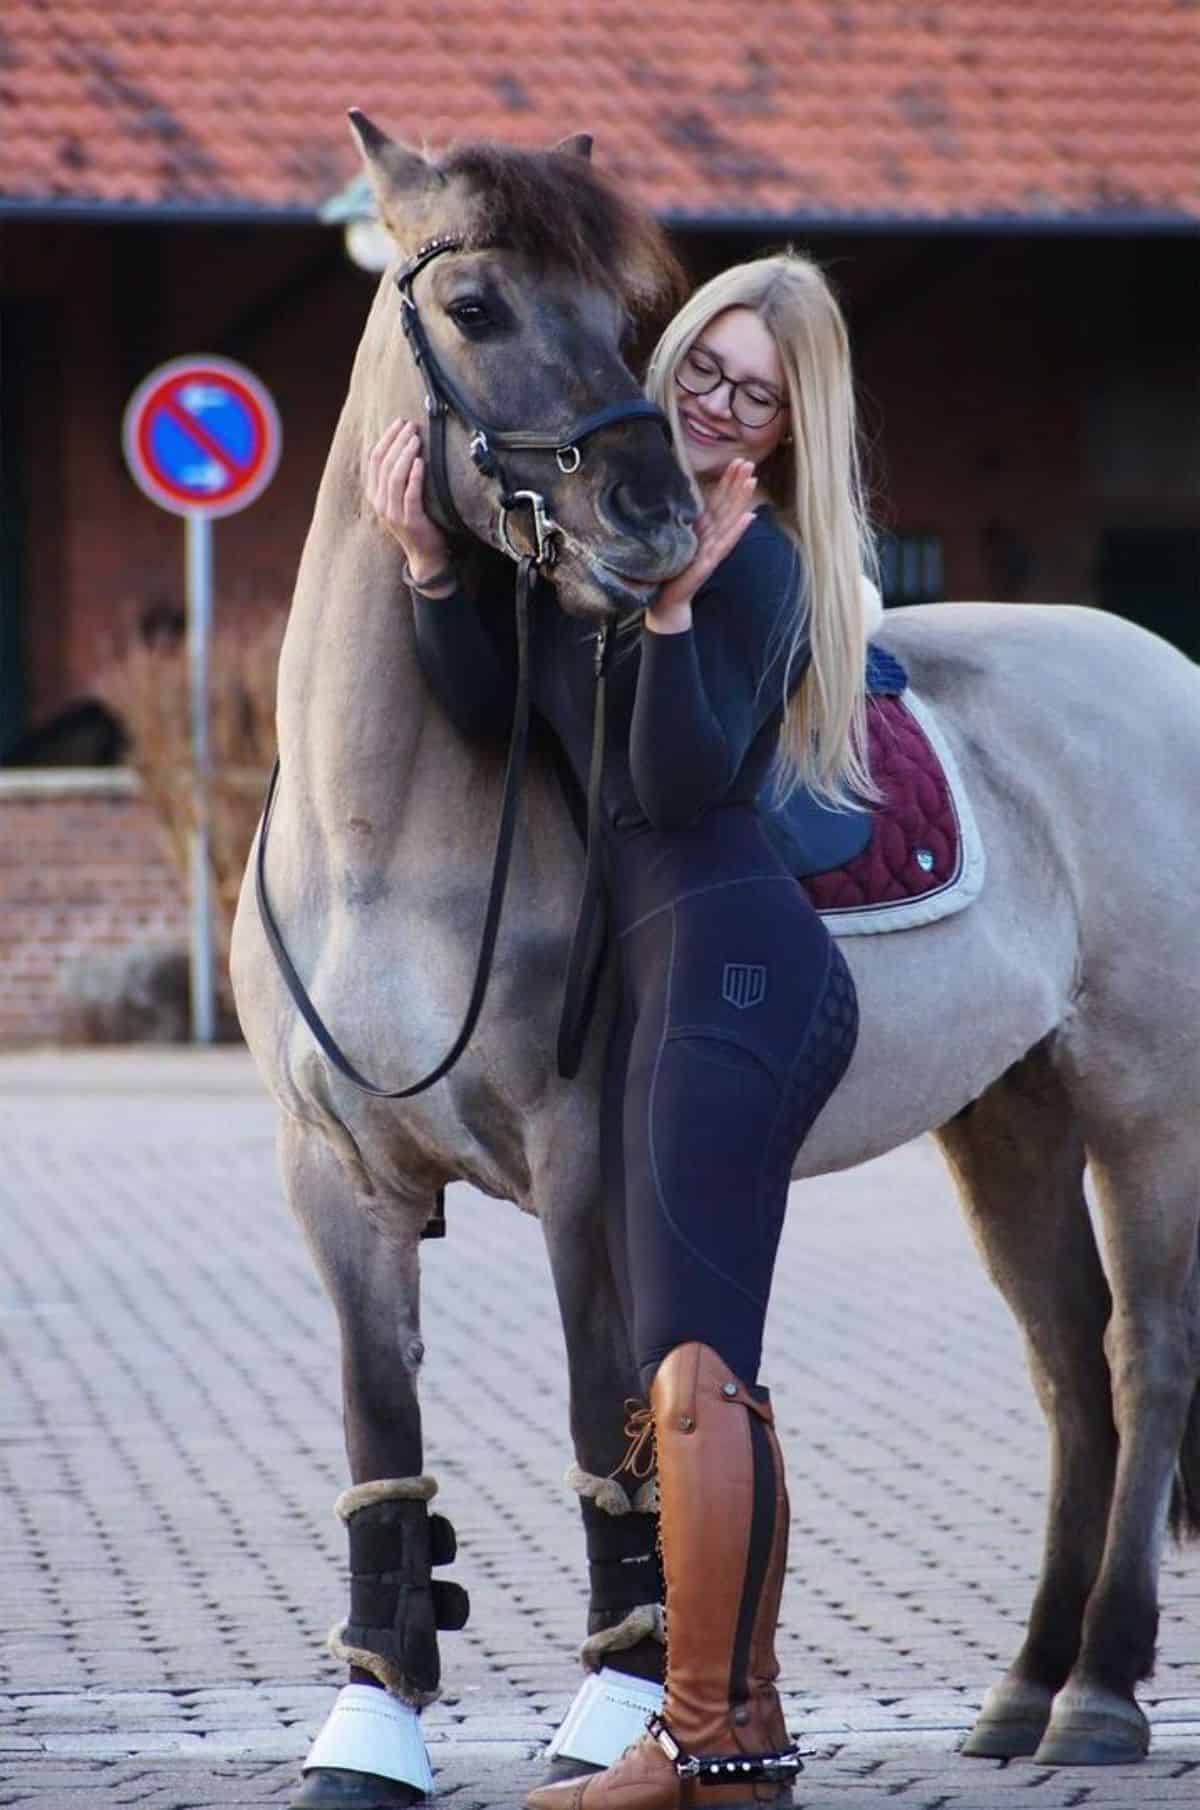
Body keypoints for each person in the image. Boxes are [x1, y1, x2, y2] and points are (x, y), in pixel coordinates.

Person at [367, 253, 873, 1809]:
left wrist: (674, 607)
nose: (715, 405)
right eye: (702, 368)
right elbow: (504, 716)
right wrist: (432, 567)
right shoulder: (612, 527)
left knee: (696, 1365)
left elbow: (667, 786)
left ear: (792, 427)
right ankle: (737, 1732)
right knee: (692, 1368)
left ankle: (707, 1734)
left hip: (735, 962)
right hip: (676, 967)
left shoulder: (766, 567)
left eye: (753, 392)